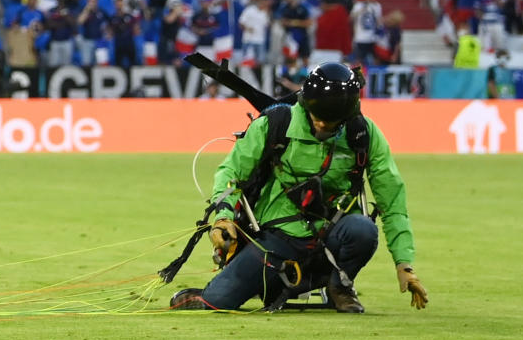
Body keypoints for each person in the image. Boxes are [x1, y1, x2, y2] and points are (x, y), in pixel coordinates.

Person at [169, 62, 429, 313]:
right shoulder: (276, 122)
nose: (321, 126)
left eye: (330, 123)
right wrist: (223, 217)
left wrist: (404, 264)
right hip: (276, 235)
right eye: (317, 118)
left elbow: (392, 200)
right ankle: (270, 284)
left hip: (332, 232)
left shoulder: (362, 134)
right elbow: (231, 171)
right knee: (218, 301)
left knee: (363, 229)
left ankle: (340, 286)